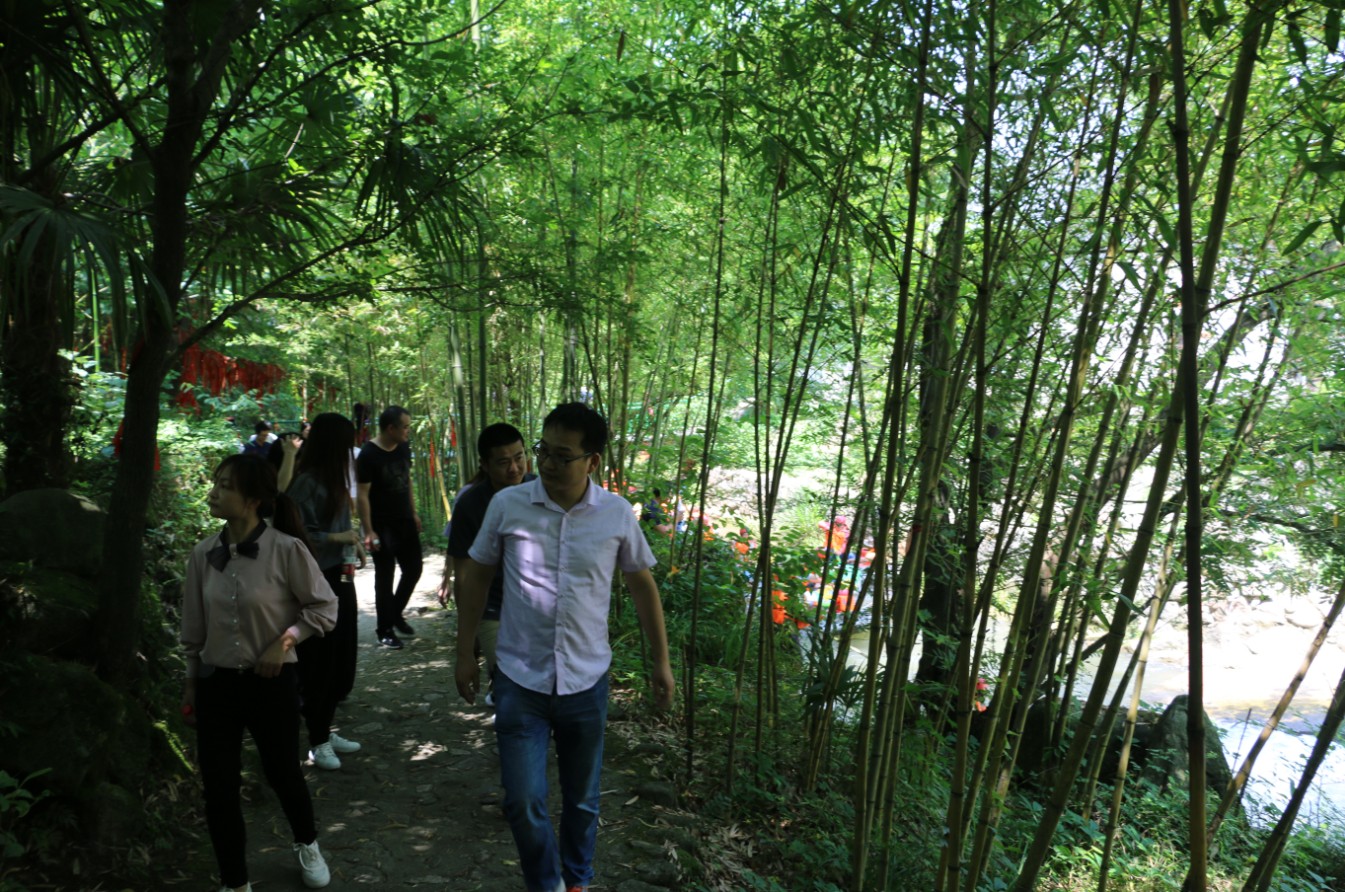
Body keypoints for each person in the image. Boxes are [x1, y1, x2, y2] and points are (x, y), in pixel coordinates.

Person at [454, 402, 675, 892]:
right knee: (523, 800)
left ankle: (577, 880)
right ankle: (546, 882)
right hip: (519, 677)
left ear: (592, 461)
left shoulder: (615, 513)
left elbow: (642, 586)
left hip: (585, 681)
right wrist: (464, 651)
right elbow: (477, 578)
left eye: (563, 455)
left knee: (582, 799)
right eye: (544, 451)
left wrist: (661, 662)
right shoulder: (508, 505)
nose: (548, 463)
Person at [180, 454, 338, 892]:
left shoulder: (286, 550)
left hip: (271, 683)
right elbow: (193, 631)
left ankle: (307, 842)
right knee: (219, 787)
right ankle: (235, 881)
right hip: (216, 685)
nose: (214, 492)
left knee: (283, 772)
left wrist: (284, 641)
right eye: (216, 482)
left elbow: (325, 607)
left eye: (225, 485)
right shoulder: (202, 555)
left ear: (252, 500)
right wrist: (190, 686)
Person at [287, 413, 366, 770]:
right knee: (320, 662)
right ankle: (317, 740)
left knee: (341, 660)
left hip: (339, 577)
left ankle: (325, 729)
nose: (350, 452)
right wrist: (338, 537)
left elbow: (337, 527)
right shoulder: (306, 482)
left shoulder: (333, 479)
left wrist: (353, 543)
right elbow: (295, 536)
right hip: (314, 583)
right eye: (347, 445)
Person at [445, 423, 533, 705]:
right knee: (511, 682)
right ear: (484, 465)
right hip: (493, 608)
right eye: (503, 462)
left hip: (538, 608)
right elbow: (464, 576)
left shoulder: (543, 491)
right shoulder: (470, 505)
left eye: (519, 457)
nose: (514, 469)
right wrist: (466, 646)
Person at [356, 405, 422, 648]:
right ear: (390, 428)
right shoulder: (368, 455)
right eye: (405, 427)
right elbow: (362, 495)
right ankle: (384, 629)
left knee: (414, 569)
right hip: (381, 524)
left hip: (404, 519)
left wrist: (413, 512)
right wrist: (368, 530)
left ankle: (394, 614)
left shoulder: (403, 447)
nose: (408, 431)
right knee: (385, 576)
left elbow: (407, 480)